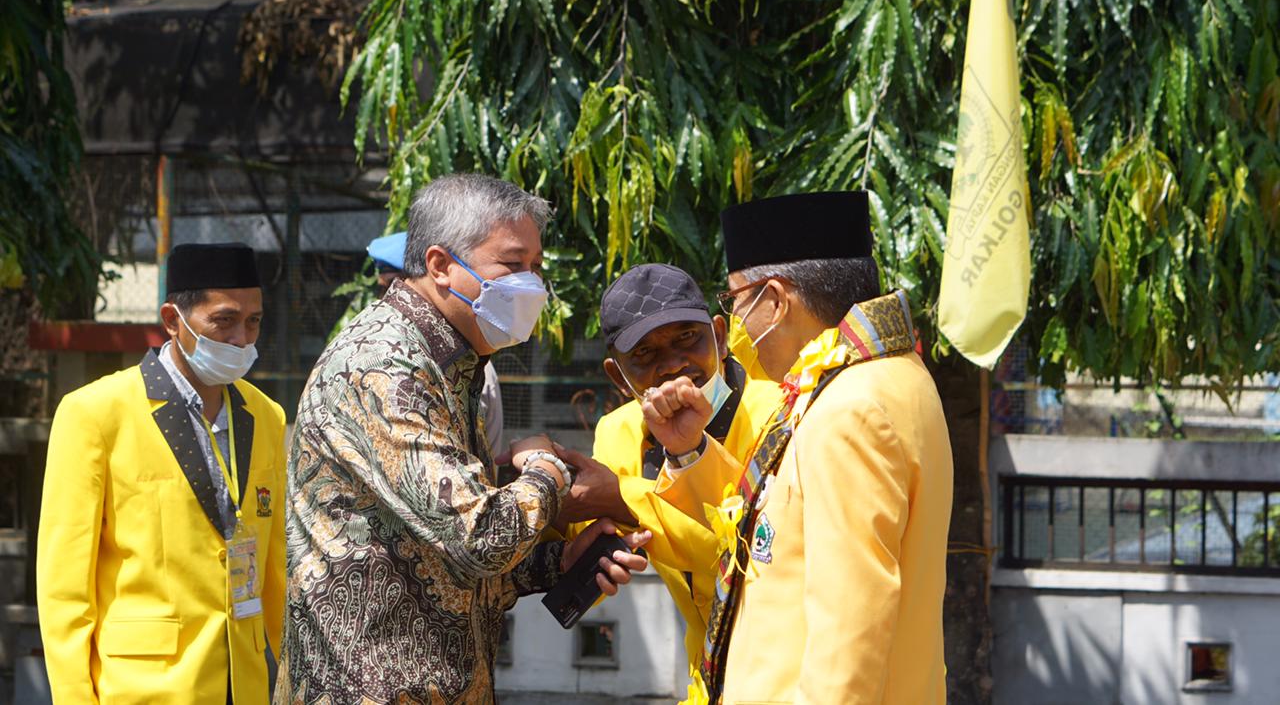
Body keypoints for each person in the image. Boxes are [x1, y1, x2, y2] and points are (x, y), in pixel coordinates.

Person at [277, 174, 651, 702]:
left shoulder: (453, 363)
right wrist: (548, 467)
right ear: (440, 265)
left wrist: (558, 564)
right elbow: (480, 538)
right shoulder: (385, 367)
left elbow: (446, 564)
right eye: (512, 265)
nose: (532, 286)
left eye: (537, 268)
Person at [638, 191, 954, 703]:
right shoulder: (880, 380)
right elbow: (777, 526)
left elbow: (850, 634)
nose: (735, 324)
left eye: (736, 300)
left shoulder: (851, 408)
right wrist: (691, 450)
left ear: (777, 301)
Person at [38, 242, 287, 704]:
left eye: (253, 322)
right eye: (224, 320)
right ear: (173, 320)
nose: (242, 339)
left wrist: (297, 679)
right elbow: (64, 591)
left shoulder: (266, 416)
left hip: (245, 683)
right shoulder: (94, 415)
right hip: (144, 689)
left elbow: (276, 568)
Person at [552, 263, 781, 676]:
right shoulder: (619, 433)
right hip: (707, 677)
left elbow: (754, 555)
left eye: (688, 338)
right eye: (645, 354)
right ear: (618, 377)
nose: (674, 365)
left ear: (720, 336)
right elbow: (586, 565)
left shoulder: (780, 413)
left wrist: (626, 499)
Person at [368, 230, 506, 455]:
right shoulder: (379, 355)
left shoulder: (473, 364)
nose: (387, 301)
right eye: (383, 290)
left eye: (395, 288)